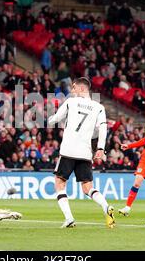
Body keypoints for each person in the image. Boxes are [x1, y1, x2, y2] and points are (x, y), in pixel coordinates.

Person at [48, 77, 115, 229]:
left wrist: (49, 119)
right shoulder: (98, 107)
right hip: (85, 152)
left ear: (82, 88)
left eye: (74, 88)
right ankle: (106, 207)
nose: (72, 91)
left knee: (59, 183)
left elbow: (56, 118)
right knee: (87, 187)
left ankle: (69, 218)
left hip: (68, 150)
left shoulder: (71, 102)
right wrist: (100, 148)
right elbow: (103, 129)